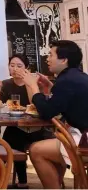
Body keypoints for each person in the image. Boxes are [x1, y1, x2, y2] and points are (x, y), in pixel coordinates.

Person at [20, 41, 88, 189]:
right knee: (49, 147)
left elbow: (47, 112)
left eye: (51, 54)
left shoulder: (66, 81)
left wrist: (33, 86)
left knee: (36, 150)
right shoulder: (76, 77)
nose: (47, 58)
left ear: (64, 60)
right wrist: (50, 87)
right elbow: (62, 102)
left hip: (85, 139)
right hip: (82, 134)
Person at [0, 55, 47, 189]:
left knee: (18, 137)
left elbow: (35, 103)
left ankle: (23, 181)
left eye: (19, 66)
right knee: (7, 141)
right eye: (12, 65)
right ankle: (10, 181)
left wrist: (29, 83)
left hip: (37, 127)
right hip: (16, 126)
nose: (15, 69)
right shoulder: (6, 84)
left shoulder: (35, 83)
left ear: (26, 68)